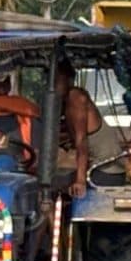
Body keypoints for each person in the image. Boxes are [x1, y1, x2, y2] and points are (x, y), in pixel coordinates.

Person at [54, 62, 103, 195]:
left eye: (57, 80)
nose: (53, 85)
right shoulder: (61, 103)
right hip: (90, 165)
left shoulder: (76, 98)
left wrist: (80, 180)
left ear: (69, 80)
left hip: (102, 169)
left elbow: (82, 141)